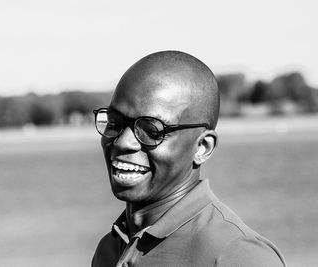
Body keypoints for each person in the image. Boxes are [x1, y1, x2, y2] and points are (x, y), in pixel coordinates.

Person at [91, 51, 286, 267]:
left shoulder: (238, 256)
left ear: (202, 147)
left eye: (151, 130)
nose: (122, 142)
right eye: (114, 122)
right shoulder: (109, 249)